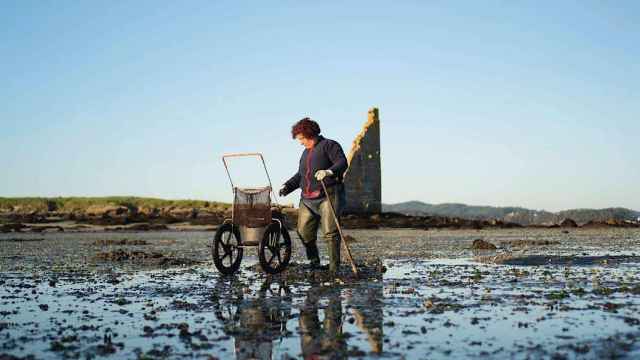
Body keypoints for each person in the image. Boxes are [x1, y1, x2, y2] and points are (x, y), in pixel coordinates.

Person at [279, 117, 347, 274]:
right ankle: (314, 261)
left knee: (330, 232)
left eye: (301, 138)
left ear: (310, 133)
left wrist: (328, 172)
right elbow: (301, 175)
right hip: (307, 199)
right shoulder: (305, 153)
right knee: (303, 231)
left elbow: (342, 162)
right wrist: (287, 186)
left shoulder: (329, 145)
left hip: (328, 195)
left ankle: (334, 268)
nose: (300, 142)